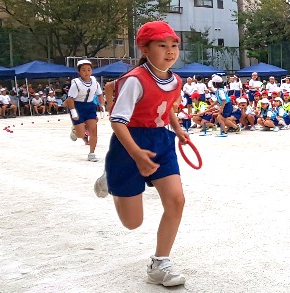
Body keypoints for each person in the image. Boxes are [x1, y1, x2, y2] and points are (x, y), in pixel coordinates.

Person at [95, 21, 188, 287]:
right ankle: (110, 178)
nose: (170, 51)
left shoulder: (176, 80)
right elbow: (117, 121)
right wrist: (136, 154)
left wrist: (178, 129)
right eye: (162, 45)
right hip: (129, 143)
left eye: (174, 45)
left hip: (161, 141)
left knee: (176, 200)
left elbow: (166, 106)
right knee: (132, 223)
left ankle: (160, 263)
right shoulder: (135, 80)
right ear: (145, 49)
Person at [64, 60, 104, 162]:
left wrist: (102, 105)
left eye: (89, 70)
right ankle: (74, 131)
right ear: (79, 72)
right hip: (78, 107)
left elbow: (99, 94)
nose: (86, 72)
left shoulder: (95, 82)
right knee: (81, 135)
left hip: (90, 106)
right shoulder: (76, 84)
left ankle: (92, 153)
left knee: (93, 131)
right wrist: (73, 112)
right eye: (83, 70)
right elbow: (70, 99)